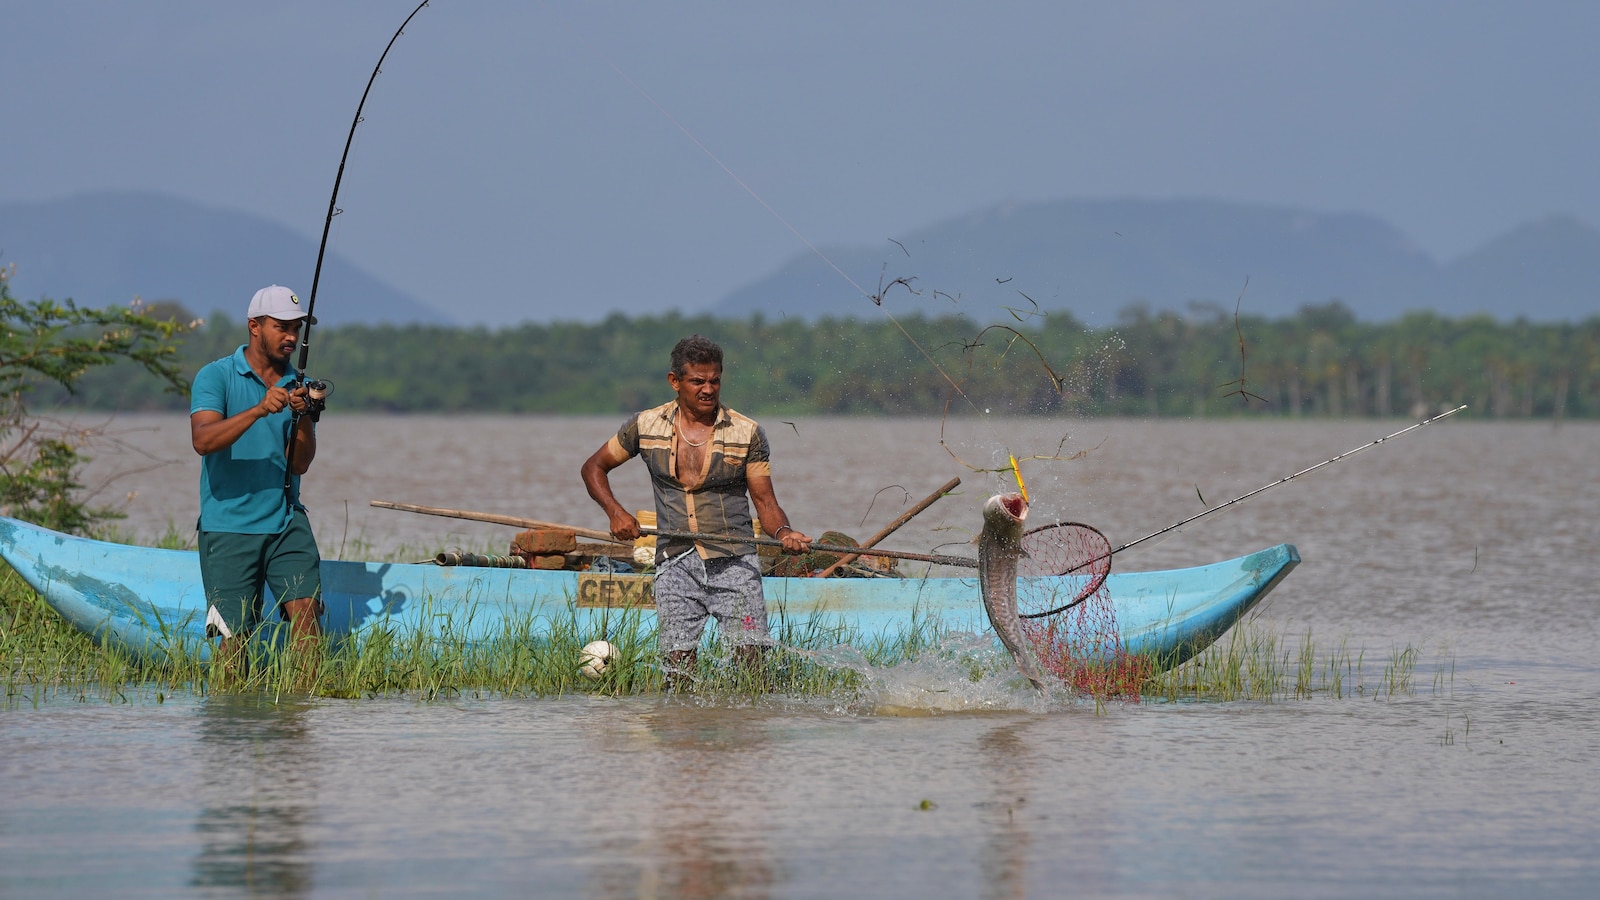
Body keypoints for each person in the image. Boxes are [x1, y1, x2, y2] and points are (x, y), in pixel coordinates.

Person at [581, 334, 811, 687]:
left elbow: (766, 503)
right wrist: (615, 512)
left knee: (752, 667)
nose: (708, 389)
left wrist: (784, 533)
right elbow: (593, 467)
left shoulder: (747, 433)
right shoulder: (645, 425)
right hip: (674, 563)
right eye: (697, 381)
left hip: (733, 561)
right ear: (675, 382)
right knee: (677, 671)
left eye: (714, 380)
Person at [189, 284, 324, 675]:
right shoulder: (215, 376)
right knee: (232, 642)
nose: (292, 337)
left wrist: (305, 418)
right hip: (229, 524)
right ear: (254, 325)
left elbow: (298, 465)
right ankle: (234, 720)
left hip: (285, 518)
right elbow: (203, 440)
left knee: (306, 615)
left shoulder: (299, 382)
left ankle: (300, 718)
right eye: (282, 327)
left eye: (296, 328)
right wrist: (259, 409)